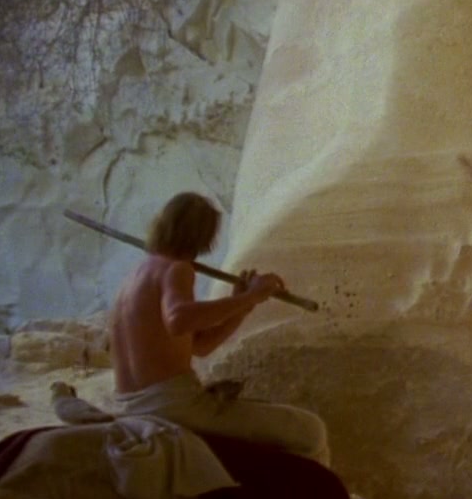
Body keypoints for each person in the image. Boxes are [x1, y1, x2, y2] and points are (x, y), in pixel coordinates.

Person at [108, 192, 331, 466]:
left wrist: (244, 305)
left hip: (132, 405)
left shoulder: (135, 277)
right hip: (172, 406)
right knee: (311, 430)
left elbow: (201, 346)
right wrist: (251, 295)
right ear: (204, 238)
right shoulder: (177, 269)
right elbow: (178, 319)